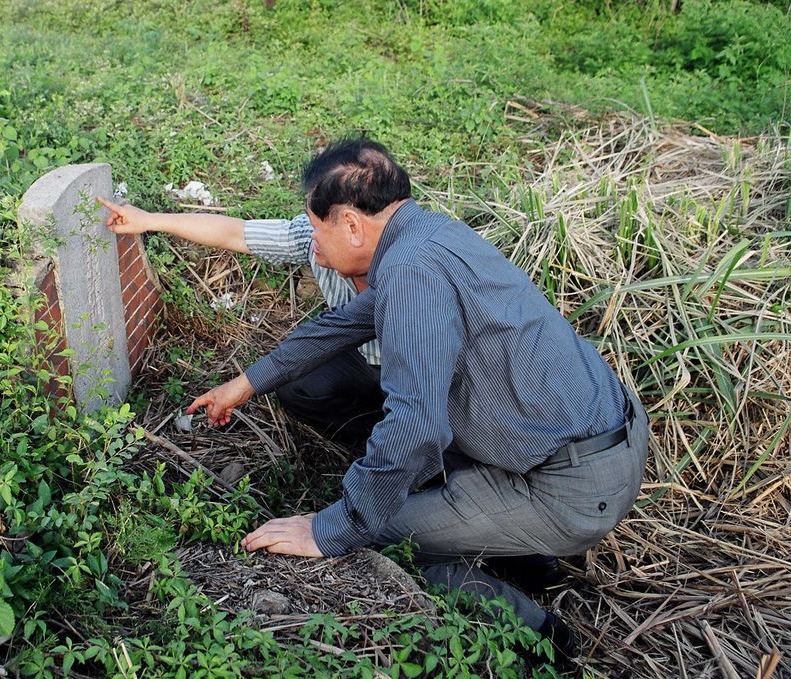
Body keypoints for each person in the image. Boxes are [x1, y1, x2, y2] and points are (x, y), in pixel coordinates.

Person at [186, 137, 651, 656]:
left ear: (351, 225)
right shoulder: (426, 236)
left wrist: (334, 527)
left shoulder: (410, 268)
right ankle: (524, 554)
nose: (315, 244)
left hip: (570, 484)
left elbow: (416, 427)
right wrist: (246, 383)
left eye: (317, 231)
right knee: (399, 477)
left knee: (385, 534)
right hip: (597, 438)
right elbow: (340, 326)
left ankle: (542, 636)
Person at [95, 196, 384, 442]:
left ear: (353, 225)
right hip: (360, 356)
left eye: (320, 227)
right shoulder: (313, 236)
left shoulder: (404, 266)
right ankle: (373, 438)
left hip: (408, 365)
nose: (311, 237)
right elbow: (235, 232)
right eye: (310, 223)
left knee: (413, 414)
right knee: (295, 385)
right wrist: (149, 220)